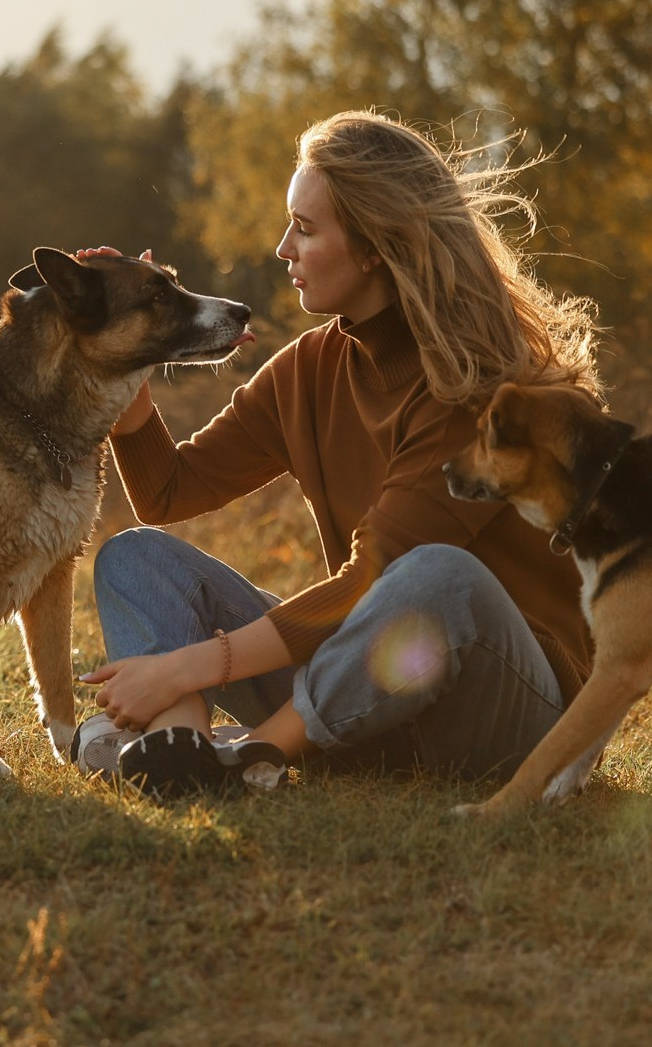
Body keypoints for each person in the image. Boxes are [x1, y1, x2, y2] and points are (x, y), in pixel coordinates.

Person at [76, 109, 600, 797]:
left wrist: (189, 666)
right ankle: (183, 749)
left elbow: (373, 581)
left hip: (511, 711)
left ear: (376, 247)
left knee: (438, 575)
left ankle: (256, 753)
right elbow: (171, 490)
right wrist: (133, 353)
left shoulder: (478, 388)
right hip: (372, 679)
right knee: (135, 557)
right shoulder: (310, 368)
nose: (281, 247)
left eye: (307, 227)